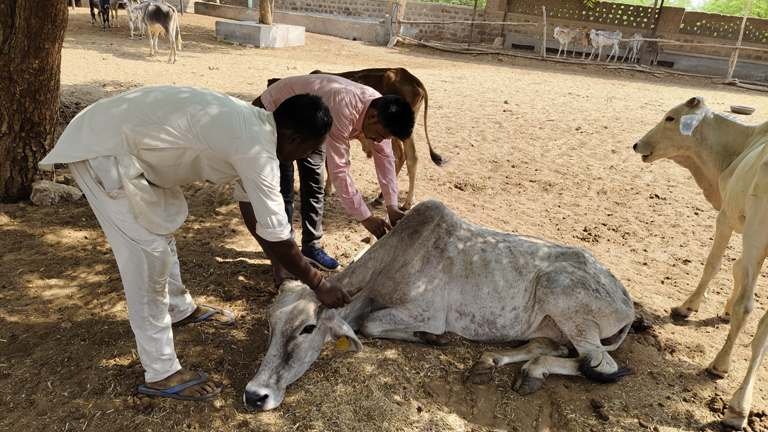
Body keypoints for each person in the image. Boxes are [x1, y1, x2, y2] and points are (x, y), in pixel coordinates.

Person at [38, 85, 350, 402]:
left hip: (127, 145)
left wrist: (279, 262)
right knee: (147, 259)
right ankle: (161, 372)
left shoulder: (256, 127)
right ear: (295, 139)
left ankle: (178, 309)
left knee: (158, 233)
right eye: (309, 150)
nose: (306, 158)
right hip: (104, 148)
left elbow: (253, 209)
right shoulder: (256, 151)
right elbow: (279, 236)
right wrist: (318, 282)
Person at [251, 74, 416, 276]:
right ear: (373, 117)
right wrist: (366, 218)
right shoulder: (344, 107)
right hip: (277, 113)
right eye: (380, 136)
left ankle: (311, 247)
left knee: (314, 184)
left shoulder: (378, 108)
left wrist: (392, 206)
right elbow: (339, 171)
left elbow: (385, 159)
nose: (379, 141)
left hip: (314, 123)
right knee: (283, 186)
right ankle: (287, 252)